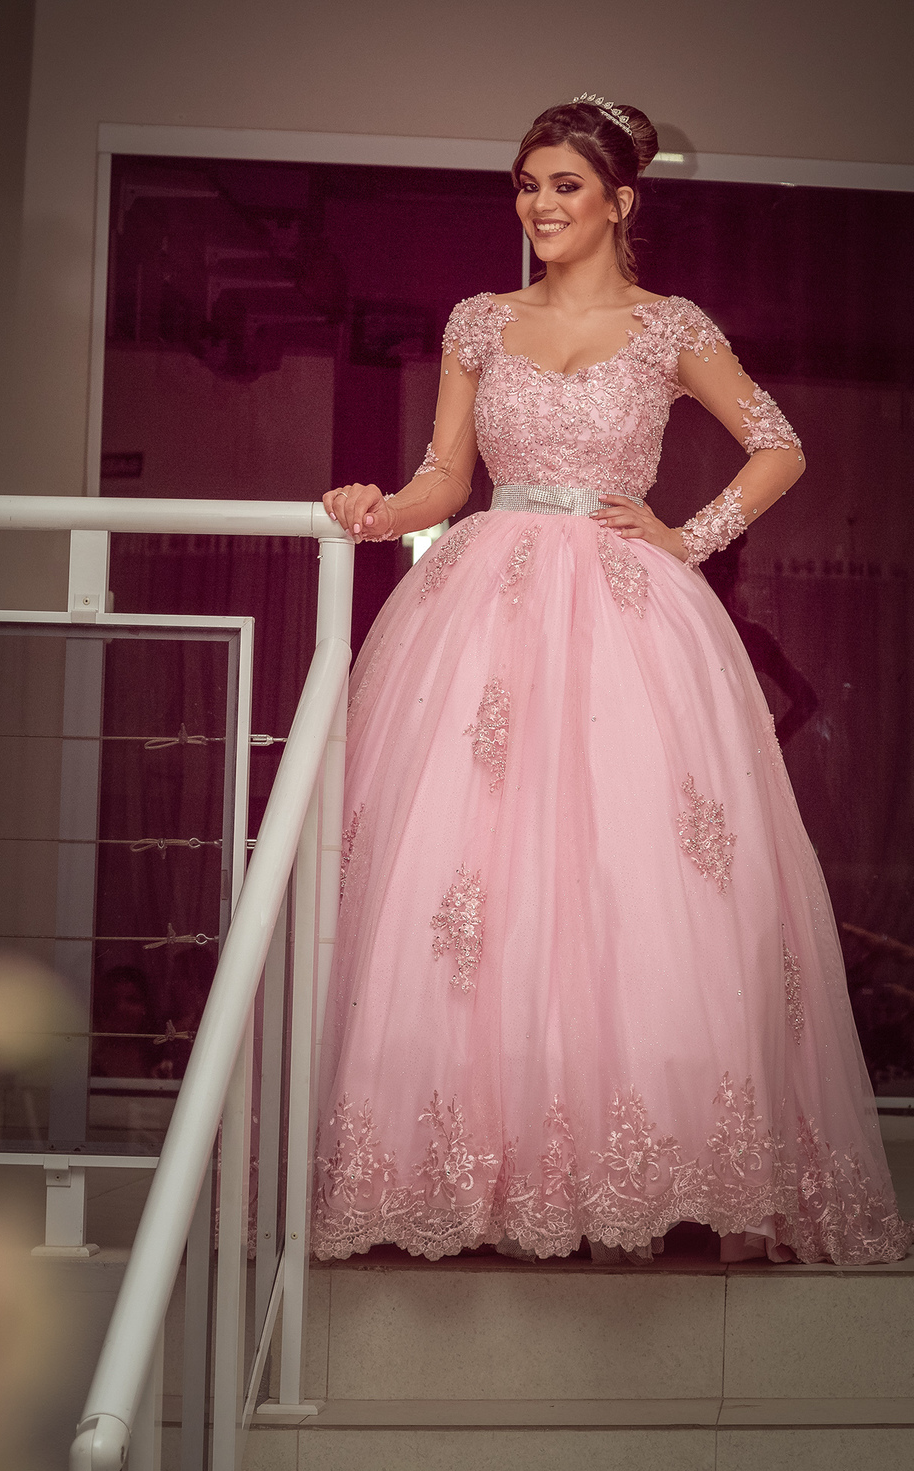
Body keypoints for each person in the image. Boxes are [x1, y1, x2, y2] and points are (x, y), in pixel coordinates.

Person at [312, 97, 910, 1266]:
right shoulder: (480, 321)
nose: (539, 204)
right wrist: (374, 510)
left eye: (565, 185)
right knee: (471, 870)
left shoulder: (668, 326)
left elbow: (781, 444)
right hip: (485, 600)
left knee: (636, 865)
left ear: (619, 202)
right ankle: (467, 1167)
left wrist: (690, 538)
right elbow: (446, 477)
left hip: (628, 608)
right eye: (527, 183)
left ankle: (642, 1174)